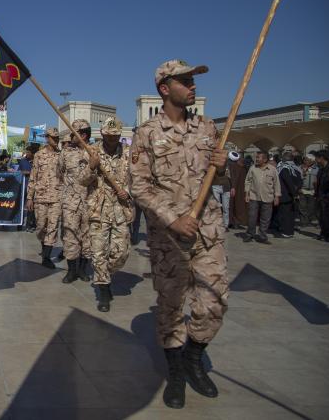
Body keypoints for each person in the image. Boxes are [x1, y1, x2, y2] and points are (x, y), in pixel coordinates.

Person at [130, 59, 229, 409]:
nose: (193, 86)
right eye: (184, 80)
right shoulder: (146, 133)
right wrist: (173, 219)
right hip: (168, 237)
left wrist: (222, 168)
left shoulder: (208, 128)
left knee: (215, 301)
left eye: (193, 80)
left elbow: (221, 181)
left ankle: (193, 357)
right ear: (164, 88)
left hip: (208, 231)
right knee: (171, 307)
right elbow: (139, 186)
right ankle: (175, 372)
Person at [88, 118, 132, 311]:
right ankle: (103, 290)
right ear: (102, 133)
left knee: (121, 252)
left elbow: (139, 178)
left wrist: (128, 191)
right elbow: (81, 180)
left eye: (116, 136)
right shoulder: (91, 151)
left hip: (121, 210)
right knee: (98, 253)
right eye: (109, 135)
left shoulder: (128, 153)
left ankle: (106, 273)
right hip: (98, 210)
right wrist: (91, 166)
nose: (112, 139)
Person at [57, 120, 98, 283]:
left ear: (83, 135)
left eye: (74, 134)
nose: (71, 136)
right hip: (71, 202)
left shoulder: (95, 152)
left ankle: (82, 269)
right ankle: (71, 270)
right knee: (70, 236)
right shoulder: (66, 152)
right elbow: (59, 172)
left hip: (90, 201)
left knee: (87, 237)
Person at [26, 127, 61, 269]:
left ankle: (46, 256)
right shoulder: (39, 155)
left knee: (53, 227)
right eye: (53, 138)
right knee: (41, 227)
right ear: (47, 138)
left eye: (57, 138)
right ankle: (44, 245)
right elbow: (33, 177)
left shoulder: (62, 155)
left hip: (57, 197)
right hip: (40, 197)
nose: (56, 140)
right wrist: (30, 197)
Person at [244, 151, 281, 244]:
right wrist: (247, 194)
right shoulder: (252, 168)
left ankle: (262, 236)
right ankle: (250, 234)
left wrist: (277, 196)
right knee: (252, 217)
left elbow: (277, 184)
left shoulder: (272, 169)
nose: (256, 159)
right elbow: (248, 181)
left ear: (265, 159)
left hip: (268, 197)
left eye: (258, 157)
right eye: (256, 157)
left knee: (265, 219)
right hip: (254, 196)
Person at [275, 151, 301, 238]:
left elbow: (288, 182)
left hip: (285, 195)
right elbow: (300, 181)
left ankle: (286, 232)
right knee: (291, 214)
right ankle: (290, 231)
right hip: (293, 194)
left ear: (284, 158)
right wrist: (296, 193)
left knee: (285, 214)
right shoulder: (296, 169)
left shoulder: (284, 169)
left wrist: (293, 193)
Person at [315, 150, 329, 243]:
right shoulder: (321, 168)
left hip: (328, 197)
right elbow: (319, 182)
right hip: (320, 196)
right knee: (321, 216)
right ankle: (323, 232)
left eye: (317, 158)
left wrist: (328, 195)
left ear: (321, 158)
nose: (316, 160)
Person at [18, 146, 36, 232]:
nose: (27, 154)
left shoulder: (37, 161)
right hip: (24, 187)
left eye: (29, 152)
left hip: (34, 188)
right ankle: (19, 224)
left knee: (31, 207)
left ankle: (30, 225)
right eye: (27, 152)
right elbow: (18, 173)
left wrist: (31, 172)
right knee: (21, 206)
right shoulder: (22, 161)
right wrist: (22, 172)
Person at [211, 157, 232, 230]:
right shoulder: (212, 163)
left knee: (226, 208)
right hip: (215, 185)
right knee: (216, 207)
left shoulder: (227, 165)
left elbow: (229, 176)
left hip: (226, 186)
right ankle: (216, 224)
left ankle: (225, 225)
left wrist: (232, 187)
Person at [228, 152, 247, 229]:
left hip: (235, 189)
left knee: (233, 205)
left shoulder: (234, 166)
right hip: (238, 189)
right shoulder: (239, 167)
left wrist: (233, 187)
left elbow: (234, 177)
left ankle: (234, 222)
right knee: (237, 206)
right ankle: (236, 222)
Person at [299, 154, 318, 227]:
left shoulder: (316, 168)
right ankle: (303, 222)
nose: (305, 161)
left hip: (312, 190)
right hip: (302, 190)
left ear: (312, 161)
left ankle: (309, 221)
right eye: (304, 159)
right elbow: (297, 178)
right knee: (302, 207)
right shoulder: (300, 168)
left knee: (311, 207)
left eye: (307, 160)